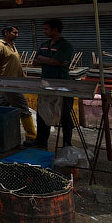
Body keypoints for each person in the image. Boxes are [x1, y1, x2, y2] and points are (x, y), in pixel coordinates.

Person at [31, 19, 75, 149]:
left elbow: (58, 62)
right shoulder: (44, 44)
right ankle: (41, 141)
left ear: (55, 29)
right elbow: (35, 62)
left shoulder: (66, 45)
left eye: (46, 29)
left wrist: (44, 60)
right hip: (45, 83)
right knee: (42, 112)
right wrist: (51, 60)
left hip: (62, 83)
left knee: (65, 115)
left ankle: (67, 143)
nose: (44, 31)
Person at [0, 25, 37, 142]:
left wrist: (24, 77)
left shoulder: (12, 45)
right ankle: (31, 137)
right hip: (8, 84)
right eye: (15, 33)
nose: (17, 35)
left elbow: (15, 64)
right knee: (23, 107)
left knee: (1, 107)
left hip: (15, 82)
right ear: (6, 32)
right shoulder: (0, 46)